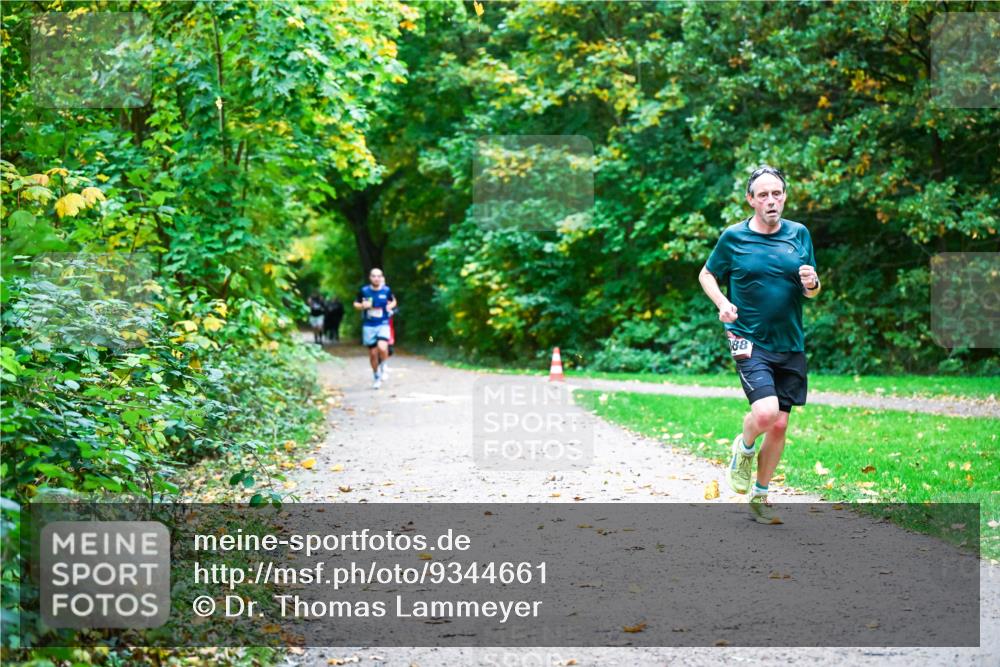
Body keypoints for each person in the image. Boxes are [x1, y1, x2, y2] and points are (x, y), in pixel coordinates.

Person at [698, 165, 820, 524]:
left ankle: (761, 495)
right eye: (763, 195)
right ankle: (744, 447)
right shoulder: (733, 238)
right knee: (765, 414)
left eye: (777, 194)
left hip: (790, 341)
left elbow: (811, 291)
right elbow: (707, 274)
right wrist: (723, 304)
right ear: (750, 200)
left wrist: (812, 283)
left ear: (784, 196)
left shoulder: (799, 235)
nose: (771, 200)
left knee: (780, 425)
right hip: (747, 337)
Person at [353, 268, 397, 389]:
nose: (376, 278)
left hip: (383, 323)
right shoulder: (364, 291)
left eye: (378, 276)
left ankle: (384, 365)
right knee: (373, 353)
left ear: (381, 277)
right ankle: (376, 375)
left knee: (382, 347)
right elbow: (355, 304)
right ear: (370, 278)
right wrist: (362, 306)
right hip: (369, 325)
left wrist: (389, 307)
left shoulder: (386, 290)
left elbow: (393, 301)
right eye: (374, 276)